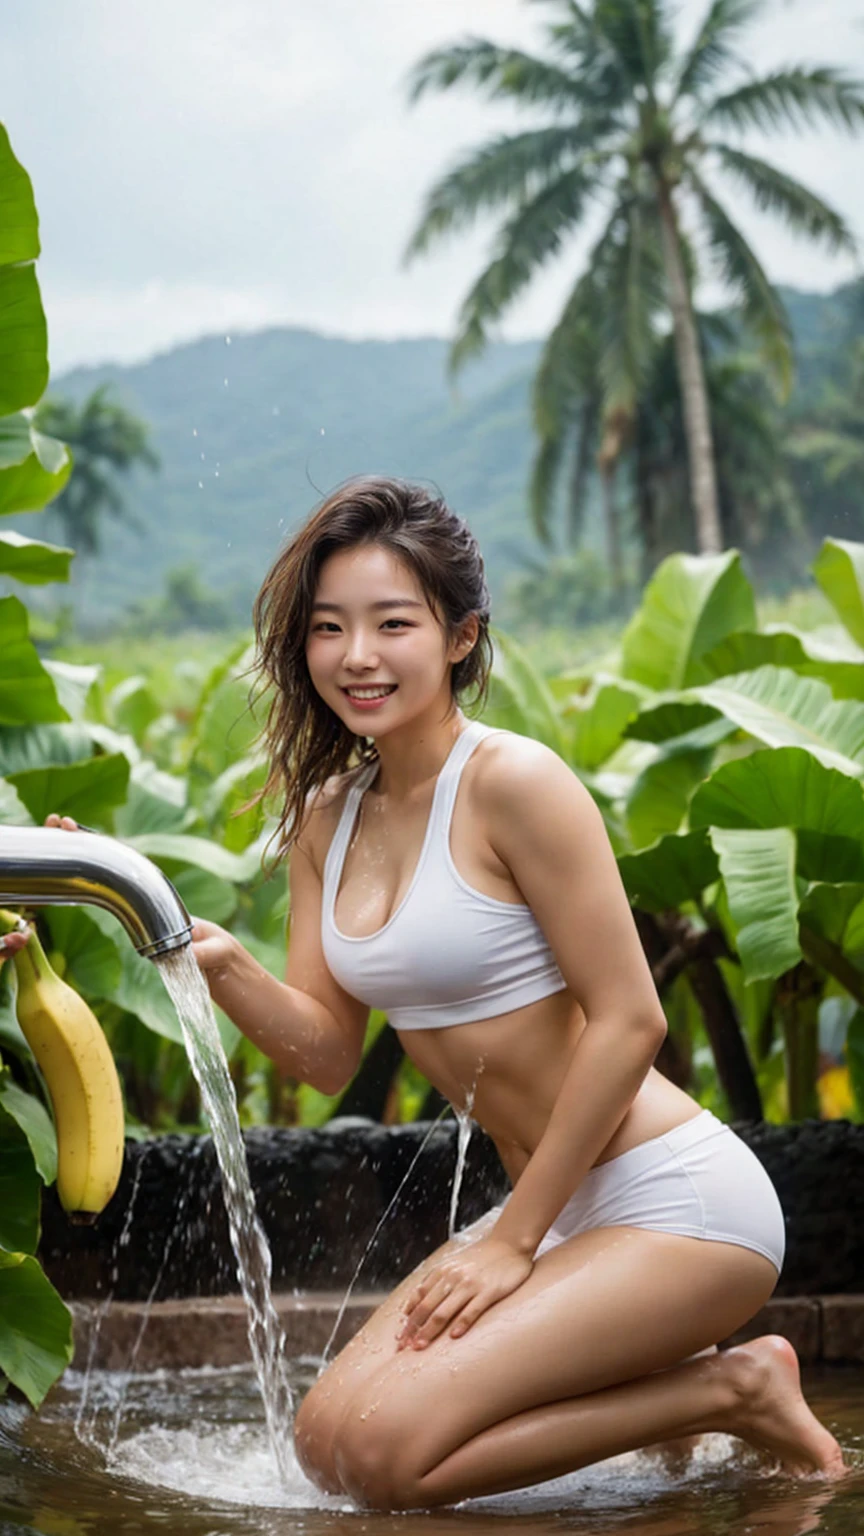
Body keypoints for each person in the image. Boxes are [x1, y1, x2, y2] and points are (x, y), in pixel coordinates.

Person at [43, 477, 844, 1508]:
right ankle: (669, 1384)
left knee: (387, 1462)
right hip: (554, 1216)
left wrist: (513, 1242)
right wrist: (225, 965)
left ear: (460, 636)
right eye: (328, 628)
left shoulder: (516, 783)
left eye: (392, 623)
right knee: (327, 1445)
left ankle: (734, 1386)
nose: (356, 656)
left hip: (674, 1204)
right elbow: (329, 1053)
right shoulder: (325, 817)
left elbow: (633, 1017)